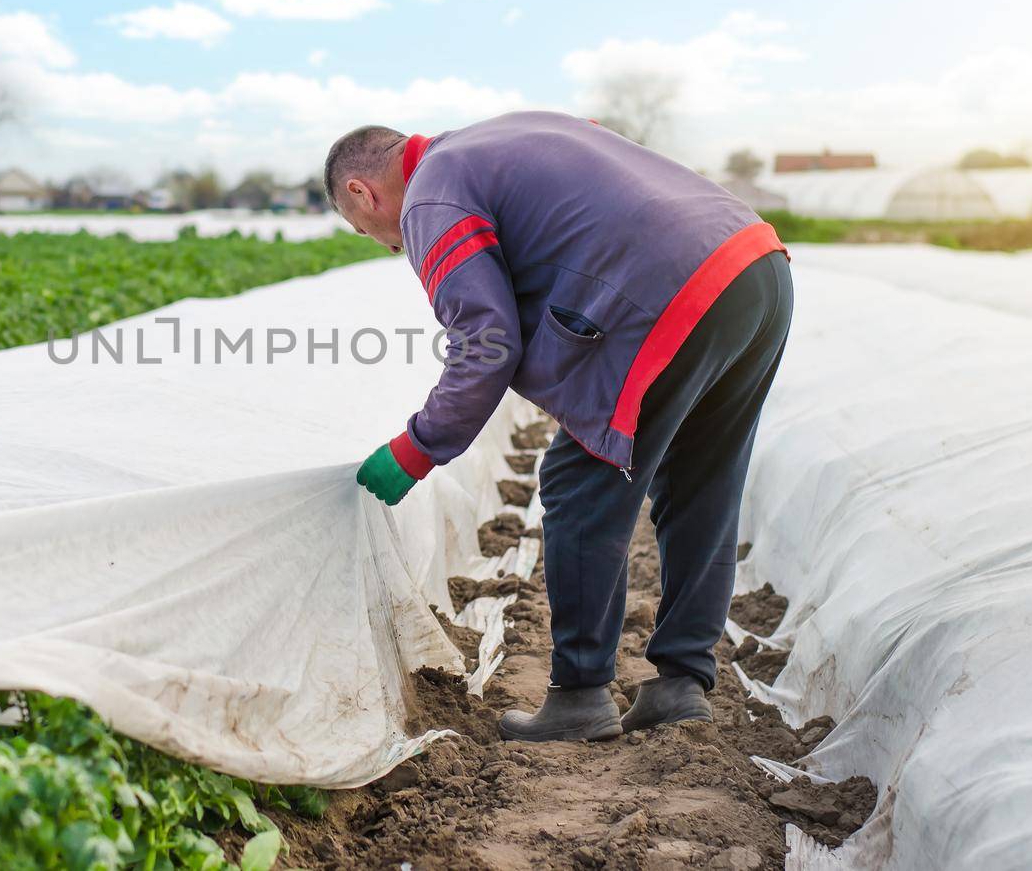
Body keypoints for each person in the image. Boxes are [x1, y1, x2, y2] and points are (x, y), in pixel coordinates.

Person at [325, 111, 794, 741]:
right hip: (756, 267)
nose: (389, 244)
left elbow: (486, 340)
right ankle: (681, 683)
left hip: (668, 286)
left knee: (577, 482)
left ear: (362, 192)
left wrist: (418, 447)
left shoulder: (432, 193)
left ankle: (580, 696)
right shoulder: (499, 136)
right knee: (702, 479)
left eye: (369, 230)